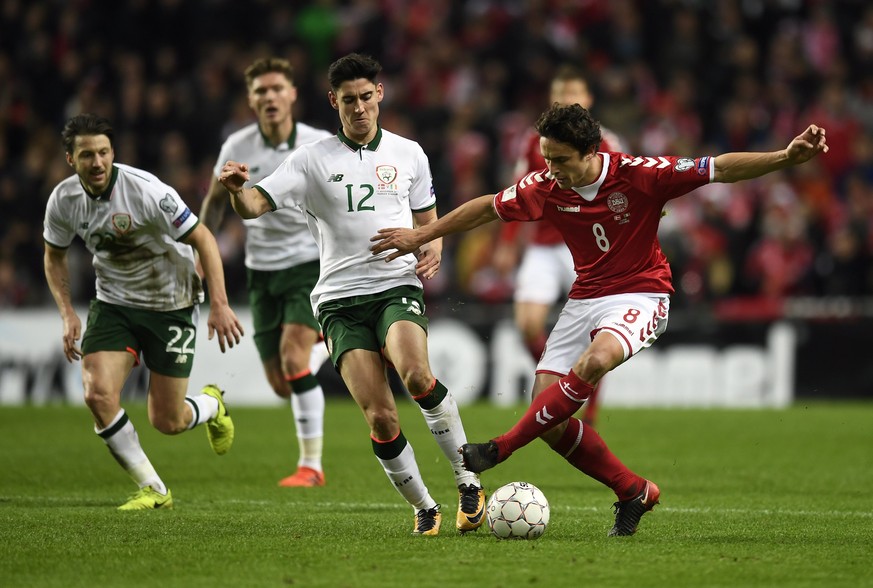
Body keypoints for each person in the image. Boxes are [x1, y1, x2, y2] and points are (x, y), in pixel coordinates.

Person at [371, 103, 828, 536]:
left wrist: (785, 157)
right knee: (548, 417)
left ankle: (501, 447)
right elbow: (487, 207)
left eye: (561, 160)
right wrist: (423, 233)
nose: (551, 169)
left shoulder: (641, 175)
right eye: (547, 158)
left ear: (593, 152)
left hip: (643, 293)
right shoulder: (546, 186)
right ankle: (633, 491)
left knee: (596, 359)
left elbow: (720, 168)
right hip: (586, 296)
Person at [218, 53, 485, 536]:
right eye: (348, 101)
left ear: (379, 95)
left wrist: (433, 248)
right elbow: (255, 205)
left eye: (366, 97)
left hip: (394, 285)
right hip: (338, 300)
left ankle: (467, 480)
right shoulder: (309, 160)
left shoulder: (409, 153)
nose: (359, 108)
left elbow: (430, 221)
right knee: (381, 417)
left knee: (417, 375)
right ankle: (425, 505)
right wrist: (238, 189)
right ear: (333, 101)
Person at [43, 113, 244, 510]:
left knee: (167, 421)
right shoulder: (63, 201)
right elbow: (54, 257)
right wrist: (68, 313)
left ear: (113, 152)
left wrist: (219, 302)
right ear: (71, 159)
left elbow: (203, 237)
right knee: (97, 394)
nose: (97, 162)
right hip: (114, 303)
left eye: (103, 152)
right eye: (87, 155)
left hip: (171, 303)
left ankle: (210, 405)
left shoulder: (147, 191)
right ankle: (154, 489)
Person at [200, 57, 333, 488]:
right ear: (251, 99)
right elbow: (215, 203)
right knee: (283, 384)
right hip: (262, 272)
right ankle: (335, 341)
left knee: (295, 360)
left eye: (277, 88)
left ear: (293, 94)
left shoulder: (318, 143)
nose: (270, 97)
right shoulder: (237, 146)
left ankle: (311, 467)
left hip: (309, 263)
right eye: (261, 91)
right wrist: (199, 254)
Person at [493, 64, 625, 426]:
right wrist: (507, 243)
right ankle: (567, 382)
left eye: (574, 94)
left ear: (588, 99)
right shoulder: (536, 142)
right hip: (544, 246)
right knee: (527, 324)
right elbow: (517, 189)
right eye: (561, 95)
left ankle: (590, 410)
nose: (568, 100)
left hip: (589, 248)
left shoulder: (608, 143)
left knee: (597, 339)